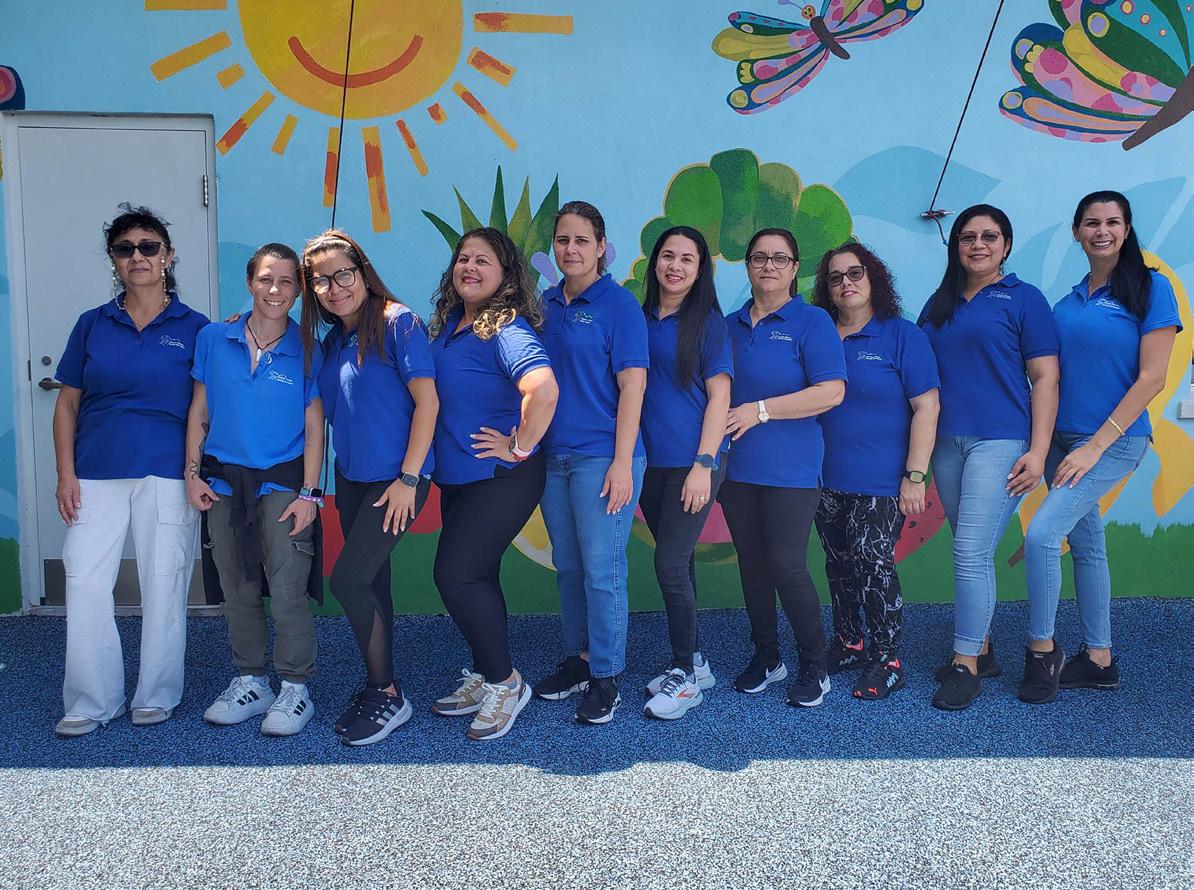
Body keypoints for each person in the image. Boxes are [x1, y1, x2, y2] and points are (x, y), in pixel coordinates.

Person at [52, 204, 209, 737]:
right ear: (114, 260)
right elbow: (67, 404)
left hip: (168, 474)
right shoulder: (92, 324)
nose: (137, 256)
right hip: (94, 473)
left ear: (168, 256)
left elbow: (202, 409)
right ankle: (91, 700)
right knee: (84, 580)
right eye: (125, 249)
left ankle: (156, 694)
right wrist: (65, 474)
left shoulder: (196, 328)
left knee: (164, 583)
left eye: (148, 247)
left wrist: (194, 471)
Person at [1019, 191, 1180, 704]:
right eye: (1092, 222)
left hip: (1113, 442)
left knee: (1043, 535)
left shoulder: (1152, 289)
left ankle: (1042, 651)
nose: (1102, 231)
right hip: (1060, 443)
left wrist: (1095, 446)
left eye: (1113, 222)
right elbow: (1048, 377)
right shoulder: (1067, 303)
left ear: (1127, 230)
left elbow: (1153, 378)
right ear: (1077, 232)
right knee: (1087, 547)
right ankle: (1099, 659)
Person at [300, 229, 439, 746]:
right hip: (353, 480)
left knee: (348, 581)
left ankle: (387, 694)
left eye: (344, 274)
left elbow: (428, 403)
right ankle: (379, 681)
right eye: (322, 281)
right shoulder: (332, 340)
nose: (335, 287)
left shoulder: (397, 322)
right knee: (372, 583)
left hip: (397, 481)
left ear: (362, 272)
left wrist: (409, 478)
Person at [918, 204, 1060, 711]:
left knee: (970, 552)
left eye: (990, 236)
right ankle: (981, 648)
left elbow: (1045, 378)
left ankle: (965, 666)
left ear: (1006, 245)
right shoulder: (939, 302)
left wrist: (1038, 451)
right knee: (970, 550)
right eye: (968, 237)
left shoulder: (1025, 299)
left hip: (1000, 441)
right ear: (955, 246)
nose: (978, 245)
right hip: (946, 443)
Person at [185, 243, 325, 735]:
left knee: (287, 588)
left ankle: (295, 687)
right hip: (224, 485)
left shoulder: (308, 347)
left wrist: (310, 494)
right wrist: (192, 473)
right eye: (266, 279)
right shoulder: (212, 337)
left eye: (287, 282)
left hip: (283, 484)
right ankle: (251, 680)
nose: (275, 290)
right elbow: (200, 410)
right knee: (237, 587)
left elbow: (315, 427)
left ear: (298, 291)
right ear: (250, 282)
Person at [427, 228, 558, 740]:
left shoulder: (505, 327)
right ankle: (487, 672)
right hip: (460, 475)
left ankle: (506, 683)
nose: (470, 268)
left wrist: (518, 446)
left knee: (455, 575)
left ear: (506, 275)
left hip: (501, 476)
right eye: (464, 259)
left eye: (483, 261)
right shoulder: (451, 325)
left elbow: (542, 389)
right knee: (478, 576)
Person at [719, 227, 847, 708]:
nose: (768, 266)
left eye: (779, 258)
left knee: (787, 566)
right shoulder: (728, 325)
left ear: (795, 268)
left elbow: (831, 392)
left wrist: (760, 410)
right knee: (752, 566)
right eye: (759, 257)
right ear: (748, 265)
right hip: (736, 469)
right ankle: (767, 657)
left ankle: (814, 663)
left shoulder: (812, 322)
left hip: (792, 470)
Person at [533, 201, 649, 725]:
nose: (571, 249)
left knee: (603, 570)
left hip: (603, 456)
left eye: (582, 240)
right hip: (552, 456)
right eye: (563, 240)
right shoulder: (545, 304)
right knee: (570, 565)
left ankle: (606, 675)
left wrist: (622, 463)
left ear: (601, 247)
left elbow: (633, 387)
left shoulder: (619, 305)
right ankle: (579, 659)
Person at [811, 243, 940, 700]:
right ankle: (850, 641)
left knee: (872, 560)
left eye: (855, 272)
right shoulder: (819, 334)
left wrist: (915, 475)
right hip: (823, 478)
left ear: (874, 278)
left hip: (882, 481)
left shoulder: (902, 336)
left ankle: (887, 659)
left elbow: (927, 407)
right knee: (838, 563)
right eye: (835, 277)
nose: (845, 282)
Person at [637, 226, 733, 720]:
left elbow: (720, 398)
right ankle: (695, 659)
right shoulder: (637, 319)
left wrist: (704, 463)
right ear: (655, 262)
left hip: (694, 464)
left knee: (669, 564)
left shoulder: (709, 325)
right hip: (647, 463)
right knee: (680, 559)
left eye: (687, 259)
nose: (675, 266)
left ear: (699, 271)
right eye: (668, 256)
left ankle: (685, 676)